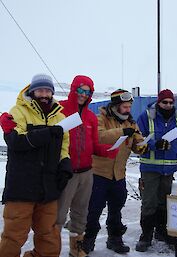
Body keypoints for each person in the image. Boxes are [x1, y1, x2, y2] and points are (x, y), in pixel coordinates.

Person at [0, 74, 72, 257]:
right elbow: (16, 141)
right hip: (21, 186)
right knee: (14, 236)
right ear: (32, 91)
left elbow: (64, 147)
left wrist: (65, 164)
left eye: (48, 91)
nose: (44, 94)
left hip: (48, 187)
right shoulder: (18, 111)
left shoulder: (60, 116)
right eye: (40, 90)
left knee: (49, 235)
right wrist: (48, 133)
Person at [56, 75, 118, 257]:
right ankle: (50, 250)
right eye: (80, 90)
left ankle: (76, 249)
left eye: (88, 91)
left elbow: (94, 144)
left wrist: (108, 150)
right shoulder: (59, 108)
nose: (83, 94)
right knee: (57, 215)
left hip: (86, 173)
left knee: (81, 214)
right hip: (64, 172)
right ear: (73, 89)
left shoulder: (91, 117)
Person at [82, 89, 146, 254]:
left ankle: (114, 239)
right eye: (125, 106)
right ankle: (88, 240)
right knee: (94, 209)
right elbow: (99, 136)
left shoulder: (130, 123)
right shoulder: (101, 118)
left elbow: (137, 144)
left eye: (129, 106)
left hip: (119, 175)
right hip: (99, 173)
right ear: (116, 106)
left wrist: (143, 145)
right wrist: (122, 132)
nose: (128, 110)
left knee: (116, 209)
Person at [135, 89, 177, 252]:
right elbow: (137, 142)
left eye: (171, 102)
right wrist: (155, 145)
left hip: (169, 170)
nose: (168, 105)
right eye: (164, 102)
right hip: (150, 168)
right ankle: (146, 236)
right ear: (158, 103)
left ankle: (161, 232)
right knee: (149, 203)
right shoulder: (145, 117)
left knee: (165, 202)